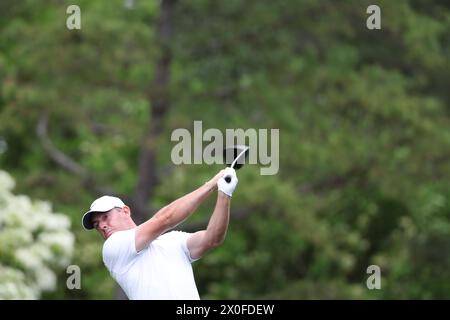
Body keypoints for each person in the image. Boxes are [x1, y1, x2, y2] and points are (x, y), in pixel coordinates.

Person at [81, 167, 238, 300]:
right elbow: (165, 218)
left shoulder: (174, 240)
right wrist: (212, 184)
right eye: (96, 225)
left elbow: (213, 239)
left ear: (125, 211)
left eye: (105, 217)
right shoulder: (113, 247)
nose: (101, 225)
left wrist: (224, 194)